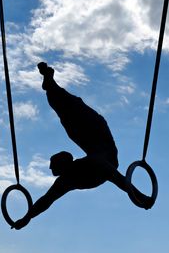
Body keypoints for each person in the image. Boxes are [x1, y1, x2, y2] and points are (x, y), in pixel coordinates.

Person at [13, 62, 151, 230]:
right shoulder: (68, 178)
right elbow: (46, 201)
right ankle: (51, 86)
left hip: (95, 139)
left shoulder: (78, 171)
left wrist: (141, 197)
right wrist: (27, 218)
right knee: (70, 111)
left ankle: (51, 86)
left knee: (68, 115)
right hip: (101, 141)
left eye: (52, 167)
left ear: (63, 164)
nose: (51, 171)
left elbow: (119, 180)